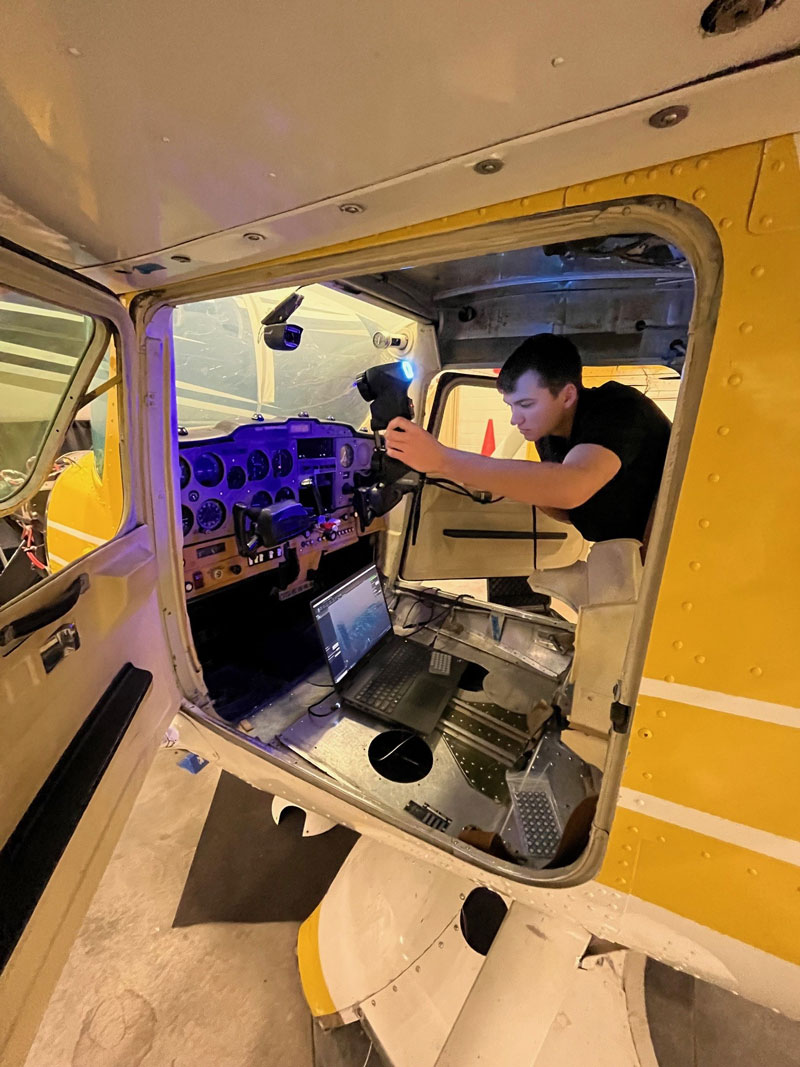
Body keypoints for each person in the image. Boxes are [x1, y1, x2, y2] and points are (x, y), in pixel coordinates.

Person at [384, 334, 671, 545]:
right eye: (511, 406)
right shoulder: (548, 434)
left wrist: (443, 460)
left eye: (526, 404)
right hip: (623, 555)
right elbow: (566, 507)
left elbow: (570, 487)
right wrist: (499, 481)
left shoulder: (618, 409)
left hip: (668, 549)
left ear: (568, 395)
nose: (515, 419)